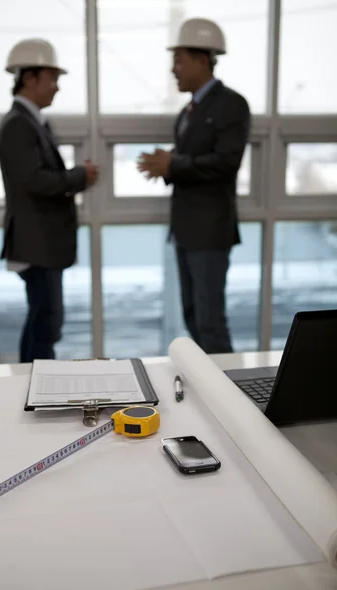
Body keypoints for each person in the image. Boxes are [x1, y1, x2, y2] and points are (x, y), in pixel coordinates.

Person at [138, 19, 250, 354]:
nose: (174, 70)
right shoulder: (187, 112)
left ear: (203, 59)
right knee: (192, 316)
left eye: (180, 60)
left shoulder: (231, 104)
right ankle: (207, 388)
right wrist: (168, 165)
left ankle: (230, 396)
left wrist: (173, 163)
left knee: (210, 321)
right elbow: (197, 162)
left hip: (210, 232)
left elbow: (226, 163)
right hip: (186, 231)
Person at [0, 38, 99, 363]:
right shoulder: (17, 124)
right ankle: (34, 389)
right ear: (29, 77)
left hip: (42, 241)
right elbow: (34, 181)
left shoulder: (33, 122)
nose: (56, 88)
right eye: (52, 79)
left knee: (45, 321)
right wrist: (79, 176)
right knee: (46, 322)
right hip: (35, 242)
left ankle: (30, 384)